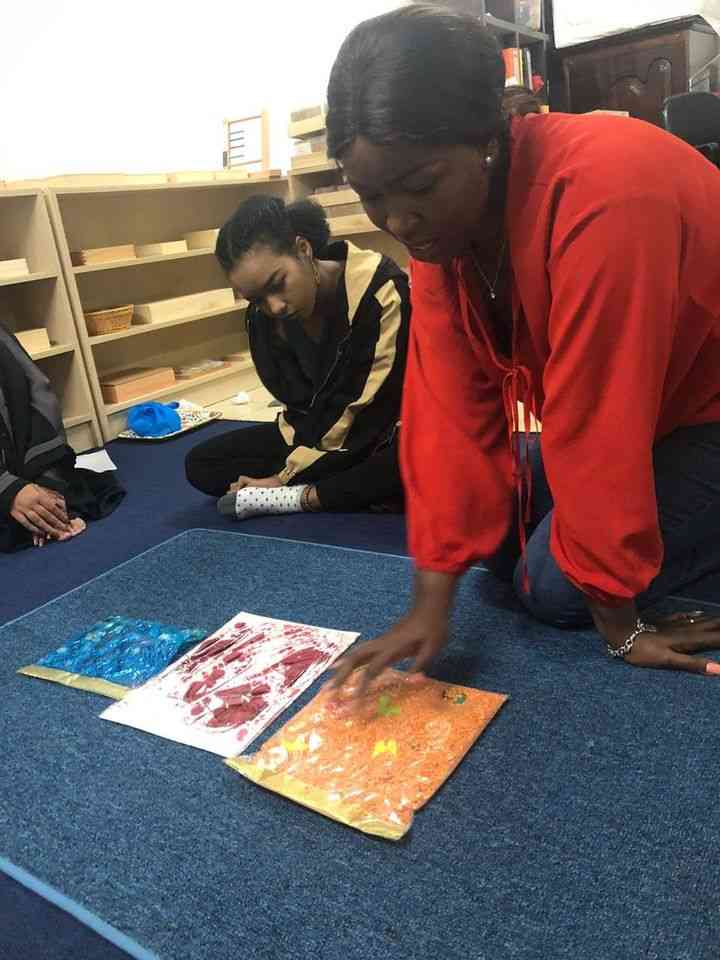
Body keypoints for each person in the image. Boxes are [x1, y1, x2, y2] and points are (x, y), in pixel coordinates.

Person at [324, 4, 720, 689]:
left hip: (702, 407)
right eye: (371, 196)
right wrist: (429, 604)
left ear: (486, 138)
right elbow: (447, 413)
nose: (397, 221)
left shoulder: (607, 194)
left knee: (551, 589)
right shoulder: (441, 231)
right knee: (495, 545)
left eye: (420, 187)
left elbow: (600, 414)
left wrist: (621, 626)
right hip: (653, 402)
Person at [185, 195, 410, 520]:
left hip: (378, 428)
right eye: (257, 299)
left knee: (409, 455)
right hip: (318, 432)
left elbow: (365, 410)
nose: (274, 306)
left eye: (278, 284)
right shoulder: (264, 317)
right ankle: (345, 488)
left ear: (303, 249)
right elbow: (300, 407)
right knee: (202, 464)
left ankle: (303, 496)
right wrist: (301, 457)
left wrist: (282, 478)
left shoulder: (380, 292)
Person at [0, 325, 125, 552]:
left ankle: (40, 499)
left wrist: (43, 481)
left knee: (59, 493)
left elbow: (35, 395)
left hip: (19, 464)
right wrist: (8, 489)